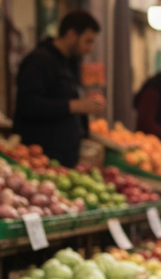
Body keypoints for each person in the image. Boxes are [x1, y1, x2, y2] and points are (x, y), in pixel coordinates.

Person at [13, 10, 104, 168]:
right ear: (71, 34)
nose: (90, 48)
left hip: (64, 161)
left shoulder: (68, 63)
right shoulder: (40, 61)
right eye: (88, 41)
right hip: (42, 161)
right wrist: (74, 105)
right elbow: (27, 104)